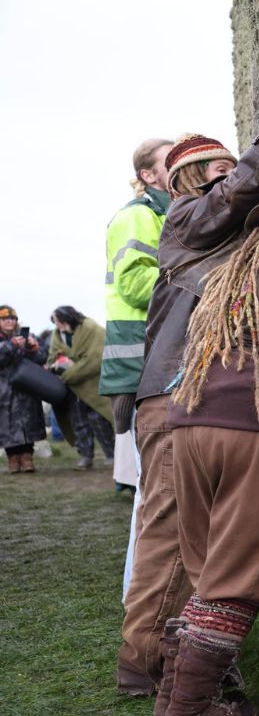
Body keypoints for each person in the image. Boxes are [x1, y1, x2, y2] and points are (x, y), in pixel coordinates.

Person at [116, 62, 259, 701]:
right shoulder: (187, 219)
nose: (236, 180)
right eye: (221, 171)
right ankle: (152, 667)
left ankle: (167, 665)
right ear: (193, 180)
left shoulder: (218, 235)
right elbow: (244, 192)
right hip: (181, 393)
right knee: (175, 543)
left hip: (186, 396)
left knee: (183, 541)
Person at [104, 138, 173, 489]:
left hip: (150, 342)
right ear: (148, 174)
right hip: (139, 343)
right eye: (170, 160)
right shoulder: (137, 215)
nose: (180, 163)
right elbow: (133, 284)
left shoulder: (163, 211)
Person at [47, 306, 115, 470]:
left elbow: (95, 358)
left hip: (93, 383)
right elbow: (52, 357)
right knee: (78, 422)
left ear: (67, 318)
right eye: (55, 322)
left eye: (59, 321)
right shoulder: (57, 336)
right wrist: (57, 365)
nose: (57, 325)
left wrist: (68, 373)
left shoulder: (90, 328)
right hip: (72, 389)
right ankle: (85, 456)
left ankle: (111, 454)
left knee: (99, 420)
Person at [0, 305, 47, 473]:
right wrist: (11, 345)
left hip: (27, 387)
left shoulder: (27, 336)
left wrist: (34, 348)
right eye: (5, 319)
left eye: (12, 319)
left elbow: (42, 358)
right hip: (4, 390)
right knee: (6, 425)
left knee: (29, 422)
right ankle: (12, 459)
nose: (9, 322)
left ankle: (27, 457)